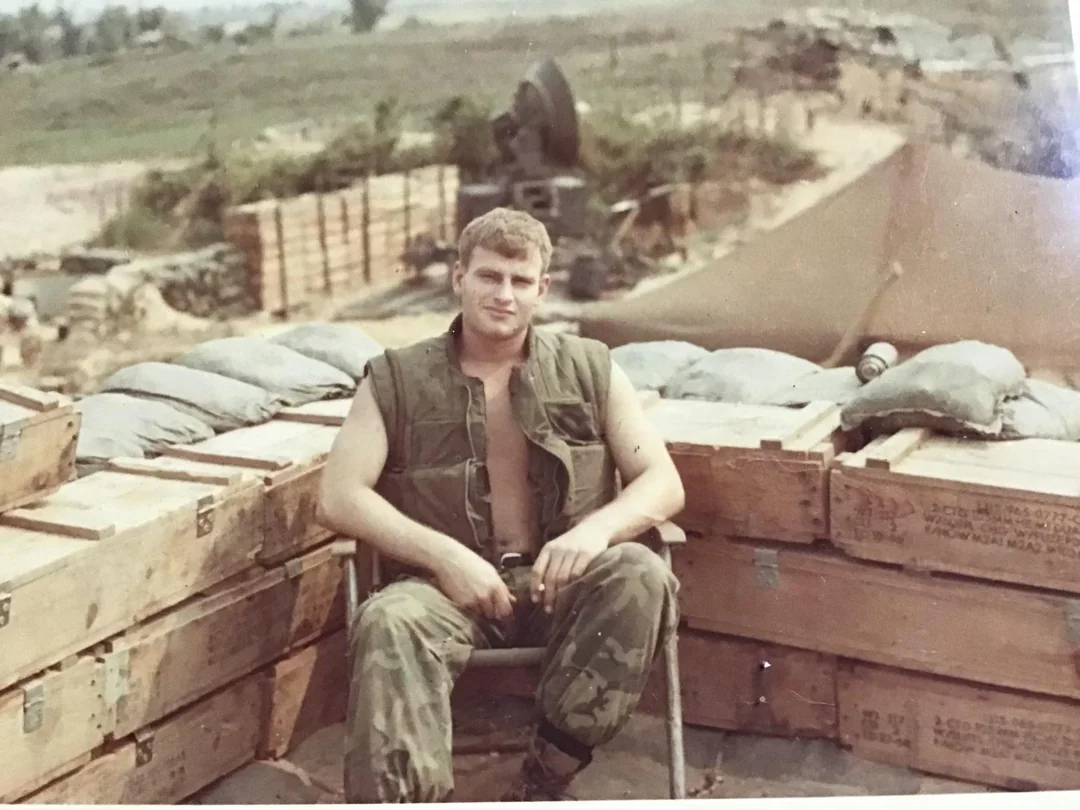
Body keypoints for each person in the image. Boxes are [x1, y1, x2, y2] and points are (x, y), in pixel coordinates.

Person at [316, 206, 686, 803]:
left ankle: (549, 769)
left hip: (560, 583)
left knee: (642, 573)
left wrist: (593, 535)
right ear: (458, 278)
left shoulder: (591, 368)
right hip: (446, 593)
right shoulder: (396, 379)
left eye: (520, 281)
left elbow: (661, 480)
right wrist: (443, 557)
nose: (503, 295)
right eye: (489, 277)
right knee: (388, 621)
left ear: (543, 288)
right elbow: (339, 495)